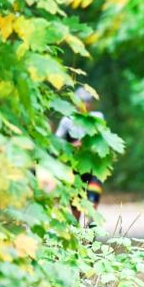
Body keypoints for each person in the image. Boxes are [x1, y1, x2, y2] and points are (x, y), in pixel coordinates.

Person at [55, 86, 105, 225]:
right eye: (83, 101)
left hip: (94, 167)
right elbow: (57, 142)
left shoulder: (98, 117)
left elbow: (104, 138)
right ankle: (76, 230)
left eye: (88, 101)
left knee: (93, 198)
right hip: (75, 168)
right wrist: (72, 146)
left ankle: (90, 229)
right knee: (76, 201)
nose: (86, 105)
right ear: (76, 103)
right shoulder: (67, 121)